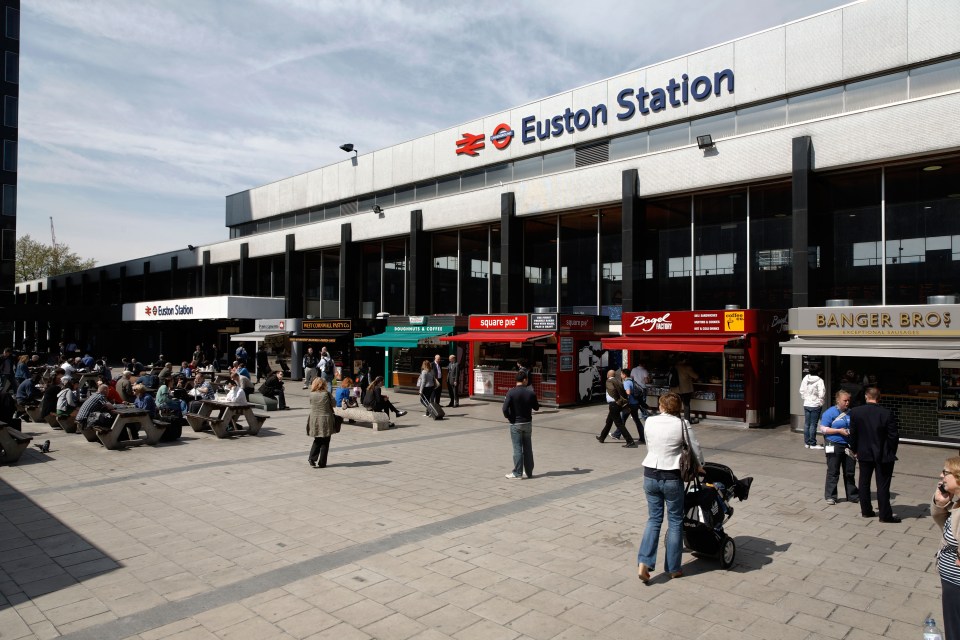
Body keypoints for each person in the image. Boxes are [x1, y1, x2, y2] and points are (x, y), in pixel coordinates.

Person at [637, 392, 704, 582]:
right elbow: (695, 448)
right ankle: (673, 568)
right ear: (678, 408)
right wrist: (700, 466)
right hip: (672, 476)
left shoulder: (649, 421)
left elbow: (649, 445)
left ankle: (644, 562)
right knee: (675, 521)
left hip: (650, 473)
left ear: (661, 406)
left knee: (654, 519)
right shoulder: (682, 424)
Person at [848, 386, 900, 522]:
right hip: (883, 454)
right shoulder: (886, 413)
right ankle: (885, 515)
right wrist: (891, 451)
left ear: (866, 396)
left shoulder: (855, 412)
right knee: (882, 485)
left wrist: (854, 450)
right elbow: (893, 436)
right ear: (879, 397)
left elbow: (853, 434)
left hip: (864, 452)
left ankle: (866, 510)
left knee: (864, 482)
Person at [932, 456, 960, 640]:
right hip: (951, 580)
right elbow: (947, 531)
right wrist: (941, 504)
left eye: (946, 472)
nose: (941, 475)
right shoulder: (958, 503)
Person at [819, 390, 859, 505]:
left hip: (849, 445)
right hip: (834, 444)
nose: (847, 403)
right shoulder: (829, 413)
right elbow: (823, 429)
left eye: (848, 400)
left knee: (850, 472)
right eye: (845, 400)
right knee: (833, 471)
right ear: (838, 400)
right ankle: (831, 496)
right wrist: (838, 431)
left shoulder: (852, 413)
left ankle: (852, 495)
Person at [502, 370, 540, 479]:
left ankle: (517, 472)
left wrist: (509, 417)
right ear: (524, 380)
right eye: (527, 379)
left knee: (517, 448)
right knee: (528, 448)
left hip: (515, 424)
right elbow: (536, 407)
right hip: (527, 423)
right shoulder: (530, 393)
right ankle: (529, 472)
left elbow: (504, 408)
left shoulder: (511, 392)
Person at [596, 369, 638, 447]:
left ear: (608, 375)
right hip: (617, 404)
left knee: (619, 424)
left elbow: (612, 391)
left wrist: (617, 399)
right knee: (609, 421)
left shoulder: (609, 381)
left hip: (614, 404)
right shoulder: (618, 381)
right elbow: (623, 392)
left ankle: (630, 441)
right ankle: (602, 437)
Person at [306, 377, 337, 468]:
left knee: (317, 439)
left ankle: (312, 458)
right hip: (326, 419)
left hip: (314, 419)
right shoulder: (327, 394)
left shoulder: (311, 394)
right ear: (324, 385)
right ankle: (322, 462)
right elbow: (334, 404)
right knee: (326, 441)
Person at [799, 365, 826, 449]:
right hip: (815, 404)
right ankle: (812, 443)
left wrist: (806, 398)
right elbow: (822, 394)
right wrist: (819, 400)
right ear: (818, 371)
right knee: (813, 425)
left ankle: (807, 443)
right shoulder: (820, 380)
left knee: (807, 424)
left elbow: (801, 390)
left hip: (806, 403)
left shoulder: (805, 378)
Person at [671, 356, 700, 423]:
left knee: (677, 405)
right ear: (684, 360)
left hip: (675, 389)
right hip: (686, 389)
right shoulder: (687, 368)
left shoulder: (674, 367)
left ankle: (678, 419)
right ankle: (687, 420)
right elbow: (696, 376)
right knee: (686, 405)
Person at [620, 368, 645, 443]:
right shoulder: (632, 381)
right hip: (635, 403)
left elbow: (628, 392)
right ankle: (642, 437)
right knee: (636, 420)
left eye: (621, 374)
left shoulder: (626, 382)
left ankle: (617, 434)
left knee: (622, 421)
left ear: (624, 375)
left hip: (630, 404)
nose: (621, 375)